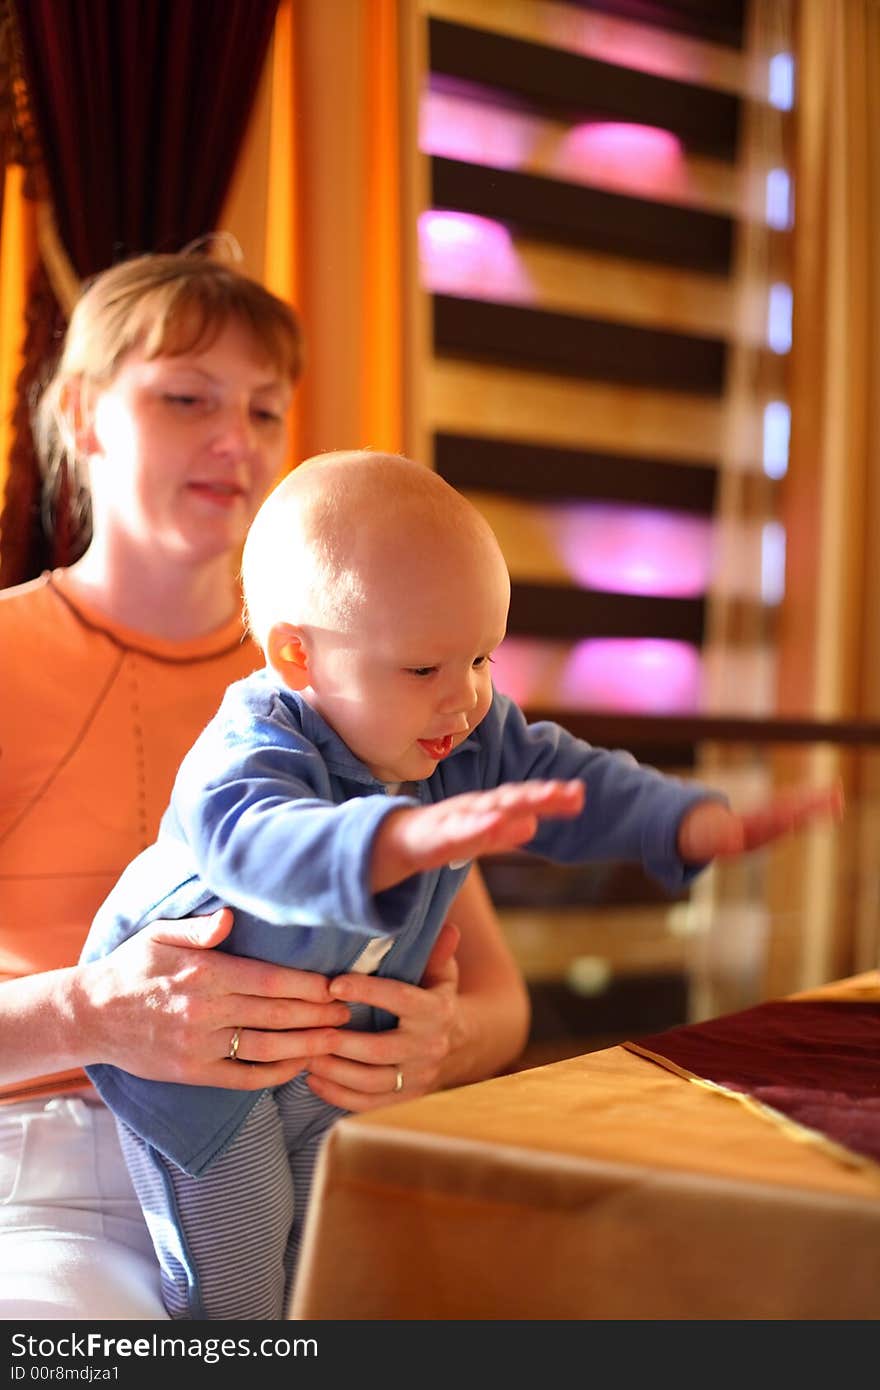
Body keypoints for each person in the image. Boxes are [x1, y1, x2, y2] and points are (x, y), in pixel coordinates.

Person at [81, 449, 844, 1321]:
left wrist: (683, 822)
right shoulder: (248, 746)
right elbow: (257, 847)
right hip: (196, 1067)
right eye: (425, 670)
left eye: (483, 657)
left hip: (327, 1051)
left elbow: (564, 780)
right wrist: (401, 834)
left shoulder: (455, 737)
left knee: (329, 1255)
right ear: (298, 655)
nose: (469, 699)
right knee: (242, 1285)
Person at [0, 256, 530, 1321]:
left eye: (265, 407)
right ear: (82, 414)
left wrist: (435, 1043)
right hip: (49, 1173)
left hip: (318, 1160)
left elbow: (501, 1005)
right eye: (187, 397)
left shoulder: (362, 687)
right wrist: (90, 1012)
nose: (234, 440)